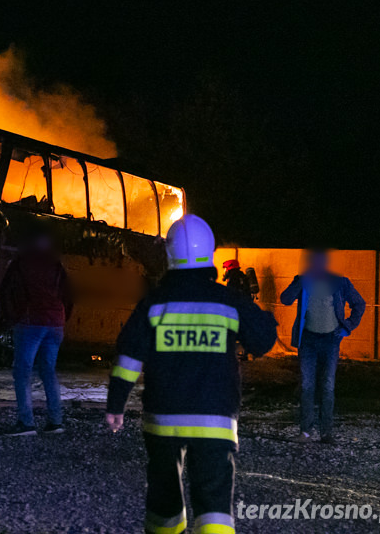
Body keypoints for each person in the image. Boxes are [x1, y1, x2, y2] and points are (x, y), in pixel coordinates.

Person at [106, 214, 277, 534]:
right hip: (215, 419)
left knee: (164, 504)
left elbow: (129, 357)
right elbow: (264, 340)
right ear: (210, 253)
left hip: (163, 420)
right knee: (214, 506)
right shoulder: (228, 301)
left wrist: (116, 406)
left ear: (169, 255)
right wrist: (262, 318)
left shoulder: (154, 304)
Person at [280, 249, 365, 444]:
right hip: (308, 340)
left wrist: (347, 328)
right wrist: (300, 280)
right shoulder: (304, 280)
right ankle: (306, 432)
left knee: (327, 386)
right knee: (307, 386)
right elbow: (285, 299)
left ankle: (326, 434)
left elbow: (359, 304)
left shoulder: (339, 282)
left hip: (330, 340)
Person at [0, 224, 73, 436]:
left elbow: (6, 292)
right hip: (55, 323)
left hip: (30, 321)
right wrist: (62, 317)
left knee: (23, 371)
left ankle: (26, 423)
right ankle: (55, 422)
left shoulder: (21, 263)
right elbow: (69, 296)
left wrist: (12, 317)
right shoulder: (57, 265)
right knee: (48, 371)